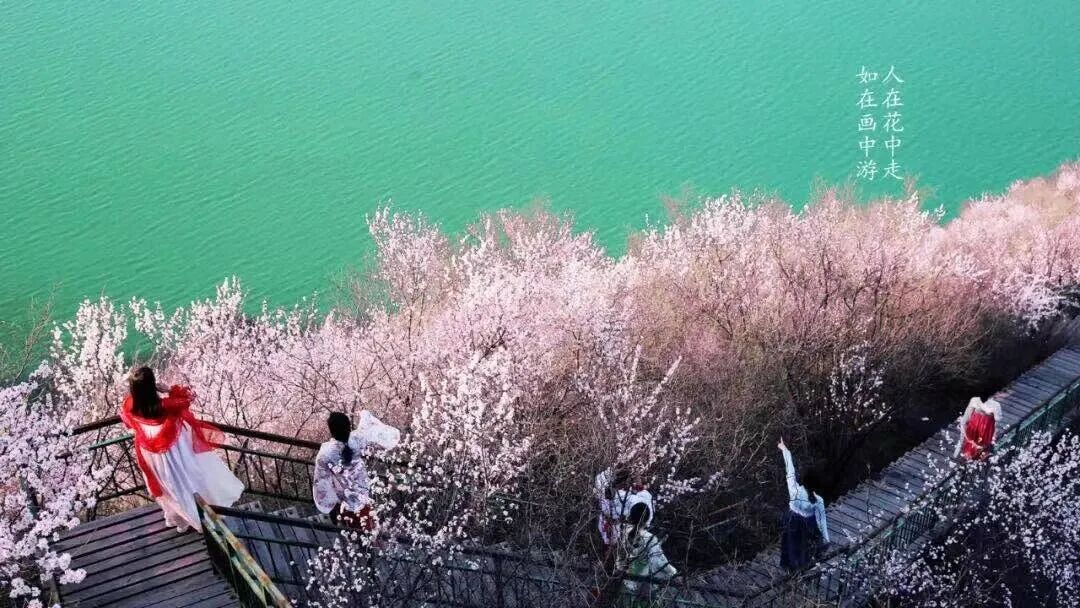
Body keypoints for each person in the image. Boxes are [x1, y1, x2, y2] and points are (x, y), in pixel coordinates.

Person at [120, 366, 244, 532]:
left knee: (169, 487)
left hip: (152, 455)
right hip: (176, 452)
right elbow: (188, 396)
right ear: (152, 385)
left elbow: (129, 423)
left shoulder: (130, 406)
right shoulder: (166, 405)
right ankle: (201, 517)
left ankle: (181, 520)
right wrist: (169, 389)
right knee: (189, 481)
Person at [313, 410, 400, 532]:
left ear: (331, 431)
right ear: (349, 427)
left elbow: (321, 481)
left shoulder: (325, 454)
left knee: (353, 530)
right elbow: (367, 430)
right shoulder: (356, 439)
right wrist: (365, 415)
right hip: (363, 492)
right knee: (369, 527)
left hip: (345, 499)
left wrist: (327, 504)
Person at [778, 438, 829, 570]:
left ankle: (790, 568)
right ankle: (803, 567)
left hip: (793, 521)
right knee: (804, 548)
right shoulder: (818, 500)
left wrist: (785, 451)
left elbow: (790, 471)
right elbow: (822, 520)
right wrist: (826, 539)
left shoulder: (795, 490)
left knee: (791, 544)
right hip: (808, 524)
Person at [615, 502, 678, 605]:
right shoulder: (650, 538)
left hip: (626, 580)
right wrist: (673, 572)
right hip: (643, 584)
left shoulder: (623, 532)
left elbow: (620, 557)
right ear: (647, 519)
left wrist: (621, 570)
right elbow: (658, 561)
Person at [954, 395, 1002, 461]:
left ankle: (976, 457)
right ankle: (967, 457)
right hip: (975, 428)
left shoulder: (996, 405)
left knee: (981, 451)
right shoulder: (976, 400)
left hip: (985, 431)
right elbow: (965, 419)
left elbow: (996, 422)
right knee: (970, 449)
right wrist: (961, 442)